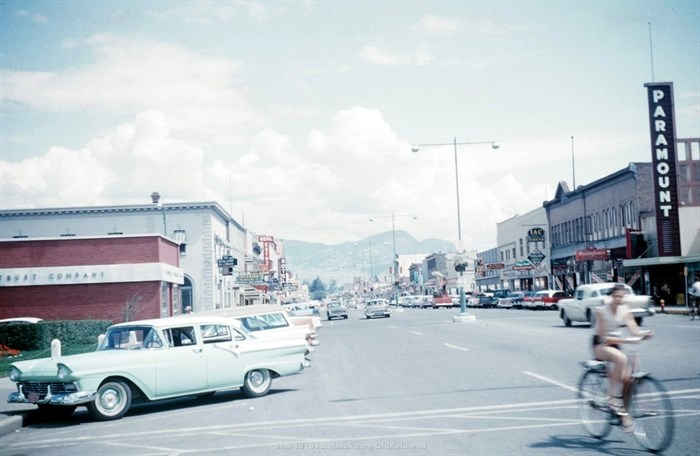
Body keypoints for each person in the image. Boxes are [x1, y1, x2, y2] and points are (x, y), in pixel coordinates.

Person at [592, 283, 652, 430]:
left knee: (629, 379)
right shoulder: (601, 311)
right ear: (611, 296)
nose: (619, 299)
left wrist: (643, 334)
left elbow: (634, 329)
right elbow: (602, 336)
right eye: (617, 296)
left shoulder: (625, 310)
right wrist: (622, 340)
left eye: (622, 297)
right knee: (621, 359)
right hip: (601, 344)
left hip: (617, 344)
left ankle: (624, 414)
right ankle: (612, 398)